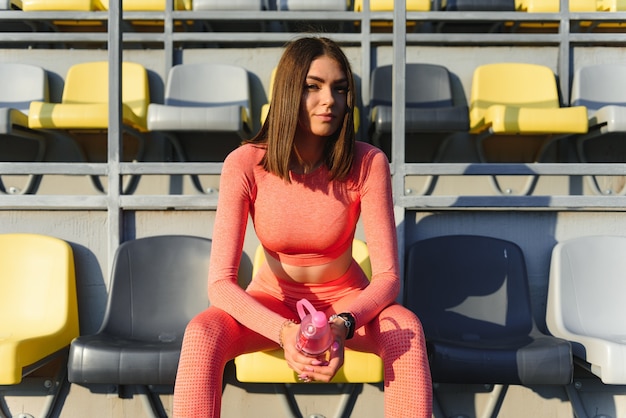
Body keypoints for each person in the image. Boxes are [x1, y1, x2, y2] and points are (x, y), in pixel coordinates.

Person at [173, 36, 432, 418]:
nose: (330, 99)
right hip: (272, 303)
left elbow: (388, 277)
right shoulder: (244, 164)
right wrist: (283, 331)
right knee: (201, 333)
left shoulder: (368, 162)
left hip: (347, 305)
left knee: (406, 328)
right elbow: (220, 284)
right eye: (313, 86)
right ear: (289, 91)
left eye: (340, 89)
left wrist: (343, 324)